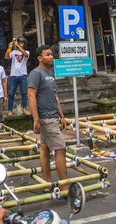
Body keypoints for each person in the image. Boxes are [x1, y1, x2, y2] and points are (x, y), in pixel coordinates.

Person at [27, 45, 68, 190]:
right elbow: (31, 95)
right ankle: (64, 185)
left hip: (53, 116)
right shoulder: (35, 74)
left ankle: (47, 183)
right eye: (47, 54)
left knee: (45, 149)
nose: (51, 57)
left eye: (52, 54)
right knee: (61, 149)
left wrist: (61, 115)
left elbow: (55, 96)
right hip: (45, 117)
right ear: (40, 58)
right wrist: (36, 119)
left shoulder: (50, 74)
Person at [5, 37, 30, 117]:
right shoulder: (14, 52)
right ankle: (9, 110)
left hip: (23, 75)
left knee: (24, 92)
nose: (20, 44)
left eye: (21, 43)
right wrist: (10, 46)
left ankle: (24, 108)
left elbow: (25, 55)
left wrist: (18, 46)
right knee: (11, 93)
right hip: (13, 75)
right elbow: (6, 57)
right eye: (19, 42)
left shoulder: (26, 52)